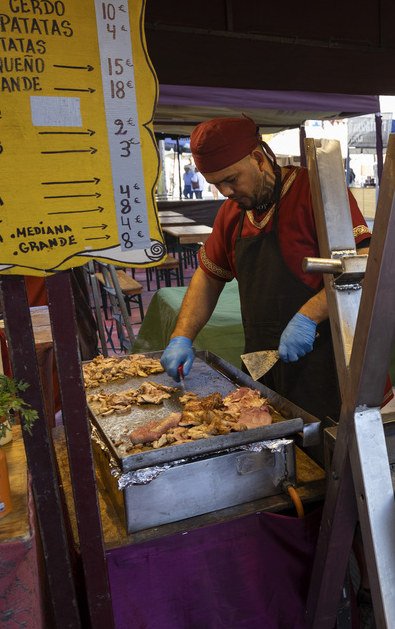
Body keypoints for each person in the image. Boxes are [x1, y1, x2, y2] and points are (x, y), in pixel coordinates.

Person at [159, 115, 372, 423]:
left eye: (231, 179)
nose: (225, 192)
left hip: (330, 362)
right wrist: (182, 336)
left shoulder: (315, 191)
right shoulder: (230, 214)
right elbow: (208, 276)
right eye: (216, 184)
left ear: (258, 158)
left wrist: (308, 316)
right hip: (264, 366)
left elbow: (365, 261)